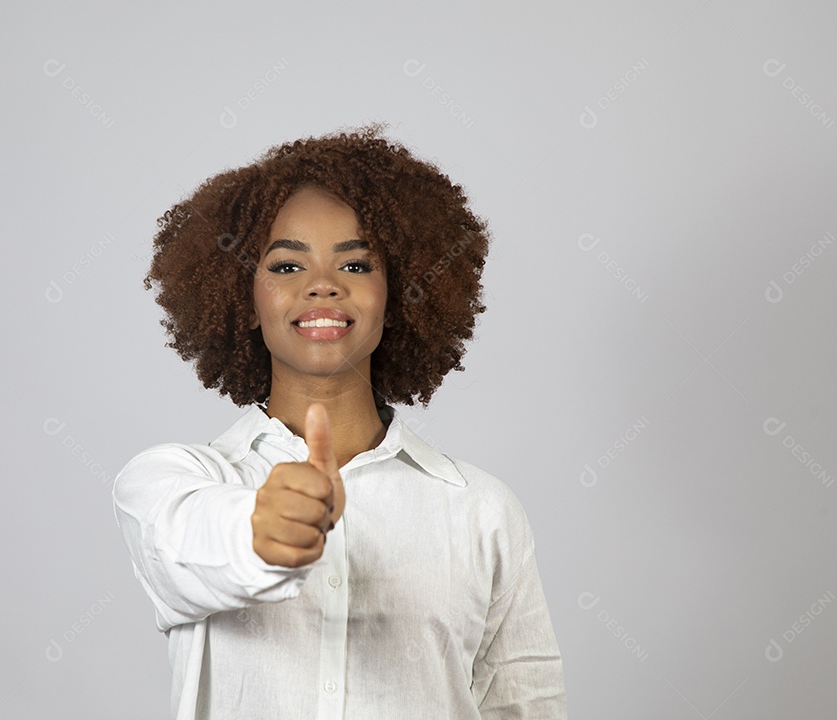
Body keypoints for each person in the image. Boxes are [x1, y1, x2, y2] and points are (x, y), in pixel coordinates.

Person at [112, 123, 566, 718]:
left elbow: (525, 703)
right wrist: (263, 526)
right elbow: (186, 544)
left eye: (354, 266)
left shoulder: (481, 509)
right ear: (243, 299)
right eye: (285, 267)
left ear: (396, 295)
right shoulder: (170, 482)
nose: (323, 285)